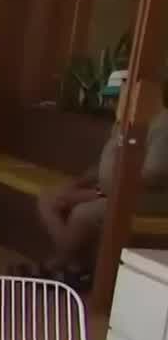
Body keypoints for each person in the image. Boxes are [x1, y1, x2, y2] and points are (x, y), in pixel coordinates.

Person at [20, 82, 168, 289]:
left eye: (119, 96)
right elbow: (102, 166)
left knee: (83, 214)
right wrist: (76, 184)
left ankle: (55, 265)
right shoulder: (124, 122)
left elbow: (154, 174)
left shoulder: (163, 124)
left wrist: (111, 188)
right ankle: (73, 265)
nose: (114, 101)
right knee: (49, 199)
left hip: (145, 199)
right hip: (108, 190)